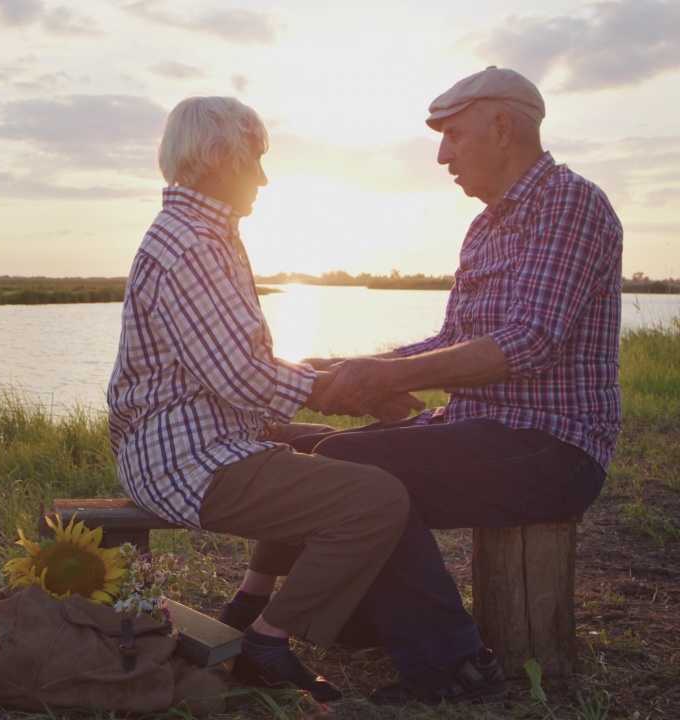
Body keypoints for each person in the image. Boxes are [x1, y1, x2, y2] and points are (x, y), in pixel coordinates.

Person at [228, 66, 624, 705]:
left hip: (554, 448)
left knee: (349, 461)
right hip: (482, 432)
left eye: (453, 136)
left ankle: (453, 664)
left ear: (502, 129)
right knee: (304, 449)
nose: (442, 156)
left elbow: (532, 340)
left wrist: (394, 376)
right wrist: (346, 370)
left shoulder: (570, 204)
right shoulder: (488, 225)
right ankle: (353, 620)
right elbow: (449, 341)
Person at [106, 96, 422, 702]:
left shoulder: (203, 232)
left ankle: (250, 601)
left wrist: (336, 374)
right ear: (222, 155)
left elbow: (236, 369)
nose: (265, 176)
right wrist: (344, 391)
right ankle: (267, 643)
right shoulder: (193, 246)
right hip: (185, 458)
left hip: (203, 436)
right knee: (377, 499)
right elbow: (245, 379)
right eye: (257, 159)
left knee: (339, 452)